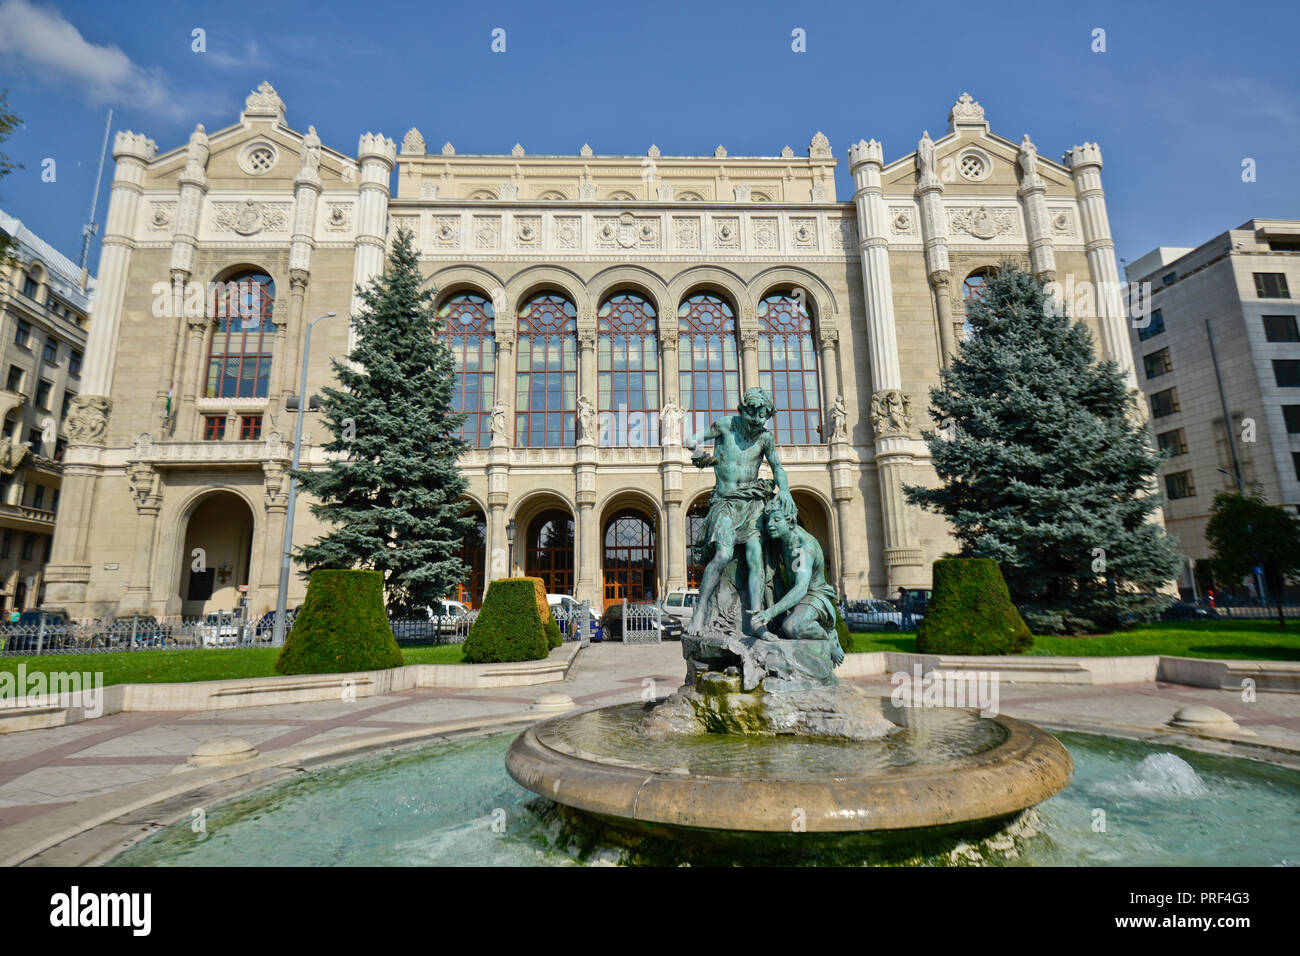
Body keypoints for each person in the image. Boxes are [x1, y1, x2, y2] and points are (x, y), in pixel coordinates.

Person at [683, 387, 794, 638]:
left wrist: (785, 490)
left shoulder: (765, 438)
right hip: (725, 502)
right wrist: (702, 456)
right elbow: (690, 441)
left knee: (756, 559)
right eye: (752, 414)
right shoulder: (724, 426)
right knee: (723, 554)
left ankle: (756, 621)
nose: (757, 420)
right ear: (742, 410)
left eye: (763, 415)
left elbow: (777, 467)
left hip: (752, 502)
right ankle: (700, 611)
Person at [750, 497, 844, 664]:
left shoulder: (803, 546)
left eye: (776, 520)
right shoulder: (782, 540)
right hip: (793, 594)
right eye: (769, 520)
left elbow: (801, 588)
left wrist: (771, 612)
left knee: (791, 627)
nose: (770, 524)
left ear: (790, 521)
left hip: (814, 594)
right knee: (780, 628)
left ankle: (828, 635)